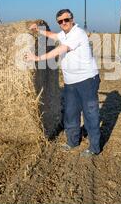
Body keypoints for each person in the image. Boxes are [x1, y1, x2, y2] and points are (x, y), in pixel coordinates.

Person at [26, 9, 101, 157]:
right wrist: (39, 29)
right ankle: (72, 142)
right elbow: (54, 36)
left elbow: (62, 48)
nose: (64, 23)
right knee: (70, 113)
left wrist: (37, 58)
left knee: (90, 114)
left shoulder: (78, 33)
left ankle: (94, 148)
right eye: (60, 21)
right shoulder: (64, 34)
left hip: (86, 80)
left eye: (66, 20)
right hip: (70, 82)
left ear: (72, 19)